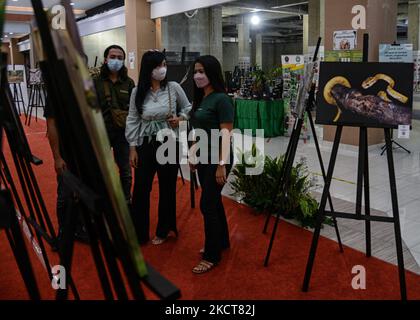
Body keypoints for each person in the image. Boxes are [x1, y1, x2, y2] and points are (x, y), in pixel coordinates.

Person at [126, 51, 192, 245]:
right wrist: (132, 147)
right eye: (158, 65)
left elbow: (188, 107)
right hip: (145, 144)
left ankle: (165, 228)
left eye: (164, 64)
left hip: (168, 142)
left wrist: (181, 118)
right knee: (141, 189)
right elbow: (132, 119)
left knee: (167, 186)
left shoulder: (173, 88)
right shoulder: (137, 92)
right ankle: (139, 232)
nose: (162, 69)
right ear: (149, 68)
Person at [189, 55, 234, 274]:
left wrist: (221, 165)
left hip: (218, 159)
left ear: (212, 74)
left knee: (207, 204)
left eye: (202, 72)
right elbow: (198, 131)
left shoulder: (221, 99)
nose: (198, 76)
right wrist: (193, 154)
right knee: (214, 202)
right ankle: (222, 242)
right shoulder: (201, 98)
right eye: (196, 71)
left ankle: (212, 254)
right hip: (204, 158)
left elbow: (226, 134)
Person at [94, 45, 135, 202]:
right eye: (112, 57)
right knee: (101, 169)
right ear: (105, 60)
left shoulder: (129, 83)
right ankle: (103, 200)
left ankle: (126, 199)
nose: (116, 60)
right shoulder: (95, 82)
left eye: (120, 57)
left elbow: (134, 111)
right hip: (101, 134)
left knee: (125, 170)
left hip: (122, 134)